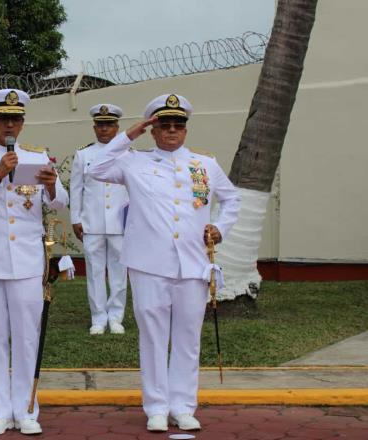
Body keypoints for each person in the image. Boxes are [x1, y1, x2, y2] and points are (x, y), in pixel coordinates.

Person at [87, 94, 240, 433]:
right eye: (164, 125)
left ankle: (183, 405)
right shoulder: (132, 161)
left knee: (188, 338)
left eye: (178, 125)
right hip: (148, 263)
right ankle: (156, 407)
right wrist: (129, 135)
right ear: (153, 131)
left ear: (185, 130)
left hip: (192, 263)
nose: (172, 131)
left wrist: (221, 227)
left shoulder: (205, 164)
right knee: (153, 337)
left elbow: (231, 200)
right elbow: (95, 168)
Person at [0, 88, 68, 436]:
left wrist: (51, 186)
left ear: (22, 123)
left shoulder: (38, 156)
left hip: (28, 262)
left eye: (15, 118)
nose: (9, 124)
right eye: (2, 118)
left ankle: (26, 408)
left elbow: (61, 202)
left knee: (26, 336)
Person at [70, 103, 130, 336]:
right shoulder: (83, 155)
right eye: (100, 125)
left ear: (117, 127)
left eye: (109, 125)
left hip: (119, 223)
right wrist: (76, 218)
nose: (104, 129)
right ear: (95, 127)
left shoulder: (128, 154)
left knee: (118, 272)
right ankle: (98, 318)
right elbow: (76, 189)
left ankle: (116, 317)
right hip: (92, 223)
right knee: (94, 272)